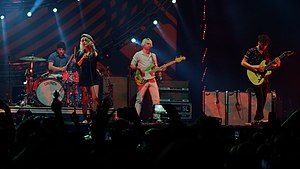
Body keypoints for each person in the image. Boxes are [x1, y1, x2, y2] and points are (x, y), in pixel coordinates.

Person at [241, 34, 280, 122]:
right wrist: (254, 67)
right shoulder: (251, 51)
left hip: (264, 78)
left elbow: (268, 66)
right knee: (260, 97)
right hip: (254, 76)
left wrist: (276, 65)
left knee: (264, 98)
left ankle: (258, 118)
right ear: (259, 42)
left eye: (265, 45)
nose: (264, 47)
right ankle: (258, 119)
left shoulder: (266, 53)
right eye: (262, 45)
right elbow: (243, 63)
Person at [130, 38, 166, 119]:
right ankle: (135, 118)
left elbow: (155, 67)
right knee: (139, 100)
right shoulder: (138, 54)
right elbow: (132, 65)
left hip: (152, 79)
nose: (150, 45)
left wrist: (161, 69)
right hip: (142, 80)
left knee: (156, 100)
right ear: (143, 44)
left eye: (150, 44)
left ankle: (157, 118)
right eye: (148, 43)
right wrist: (138, 69)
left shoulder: (153, 56)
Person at [75, 33, 101, 123]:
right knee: (85, 99)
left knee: (95, 98)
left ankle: (94, 116)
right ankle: (85, 117)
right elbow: (77, 65)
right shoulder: (80, 53)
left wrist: (93, 51)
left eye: (85, 40)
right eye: (82, 41)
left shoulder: (94, 53)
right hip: (84, 77)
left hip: (94, 77)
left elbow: (99, 60)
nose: (84, 42)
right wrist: (83, 57)